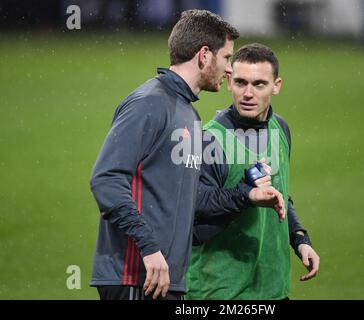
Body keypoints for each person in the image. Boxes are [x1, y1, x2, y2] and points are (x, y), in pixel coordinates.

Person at [88, 9, 241, 300]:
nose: (230, 69)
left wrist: (244, 197)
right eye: (227, 58)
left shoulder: (189, 114)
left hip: (167, 281)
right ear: (204, 55)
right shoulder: (149, 104)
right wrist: (149, 247)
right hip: (136, 276)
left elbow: (186, 205)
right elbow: (105, 179)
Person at [187, 43, 320, 300]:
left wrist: (300, 239)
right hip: (219, 290)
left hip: (272, 287)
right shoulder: (209, 140)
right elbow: (196, 205)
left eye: (259, 84)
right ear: (228, 81)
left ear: (276, 86)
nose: (248, 93)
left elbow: (279, 193)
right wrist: (246, 194)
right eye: (240, 82)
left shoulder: (280, 130)